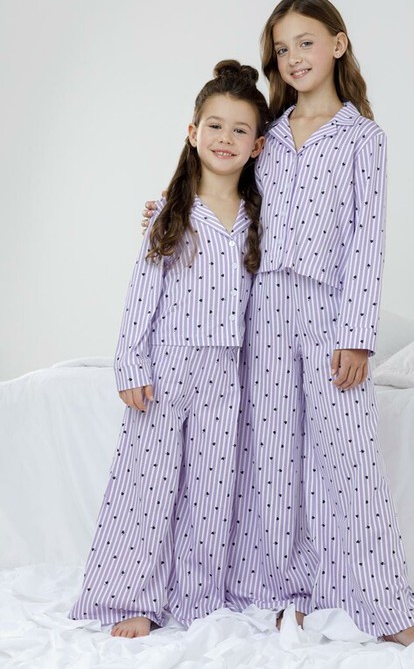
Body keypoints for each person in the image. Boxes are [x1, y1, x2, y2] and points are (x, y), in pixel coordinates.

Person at [142, 0, 414, 662]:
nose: (293, 57)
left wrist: (356, 334)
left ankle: (390, 609)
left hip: (327, 310)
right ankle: (288, 587)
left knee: (350, 458)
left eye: (305, 42)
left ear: (338, 44)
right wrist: (170, 208)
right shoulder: (270, 133)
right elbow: (220, 182)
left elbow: (367, 240)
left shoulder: (363, 139)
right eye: (282, 48)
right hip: (260, 310)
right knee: (272, 456)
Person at [70, 60, 269, 638]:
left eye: (240, 130)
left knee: (212, 487)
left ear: (258, 146)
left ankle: (196, 598)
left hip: (226, 371)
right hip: (166, 367)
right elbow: (142, 294)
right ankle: (131, 597)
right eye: (215, 125)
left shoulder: (259, 218)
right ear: (192, 132)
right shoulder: (170, 214)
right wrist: (130, 362)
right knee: (149, 486)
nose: (225, 138)